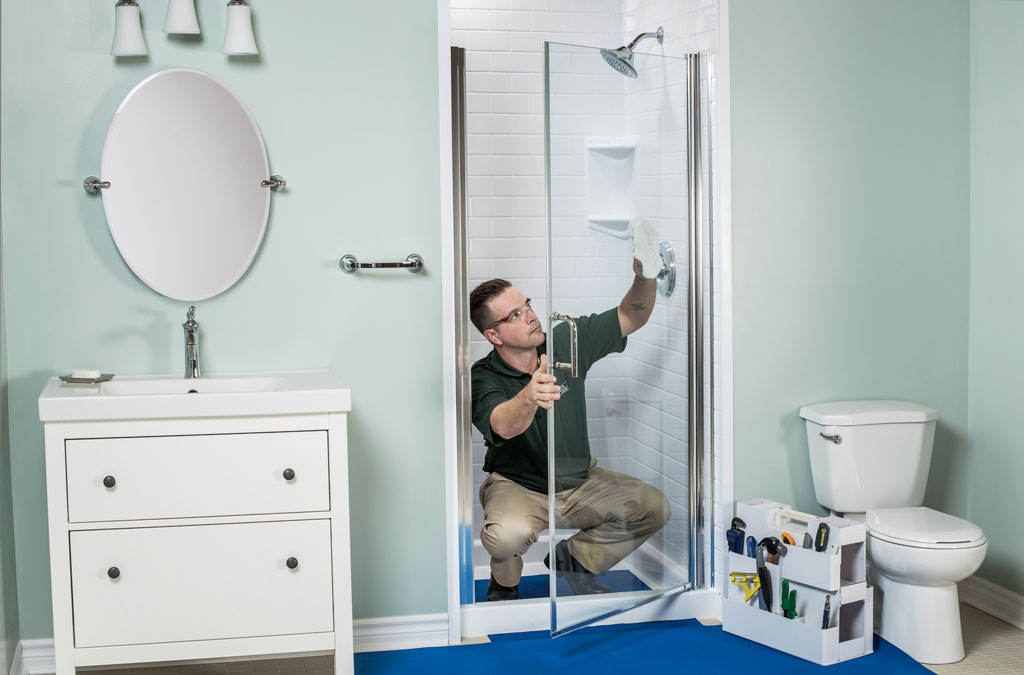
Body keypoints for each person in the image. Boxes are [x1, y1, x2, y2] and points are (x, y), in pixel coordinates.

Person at [469, 260, 671, 602]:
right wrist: (530, 395)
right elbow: (501, 423)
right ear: (494, 335)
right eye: (514, 315)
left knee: (653, 507)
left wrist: (645, 274)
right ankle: (504, 582)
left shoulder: (565, 340)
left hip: (580, 479)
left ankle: (575, 561)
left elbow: (630, 316)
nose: (531, 316)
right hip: (521, 486)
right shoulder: (484, 375)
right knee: (505, 539)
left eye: (527, 305)